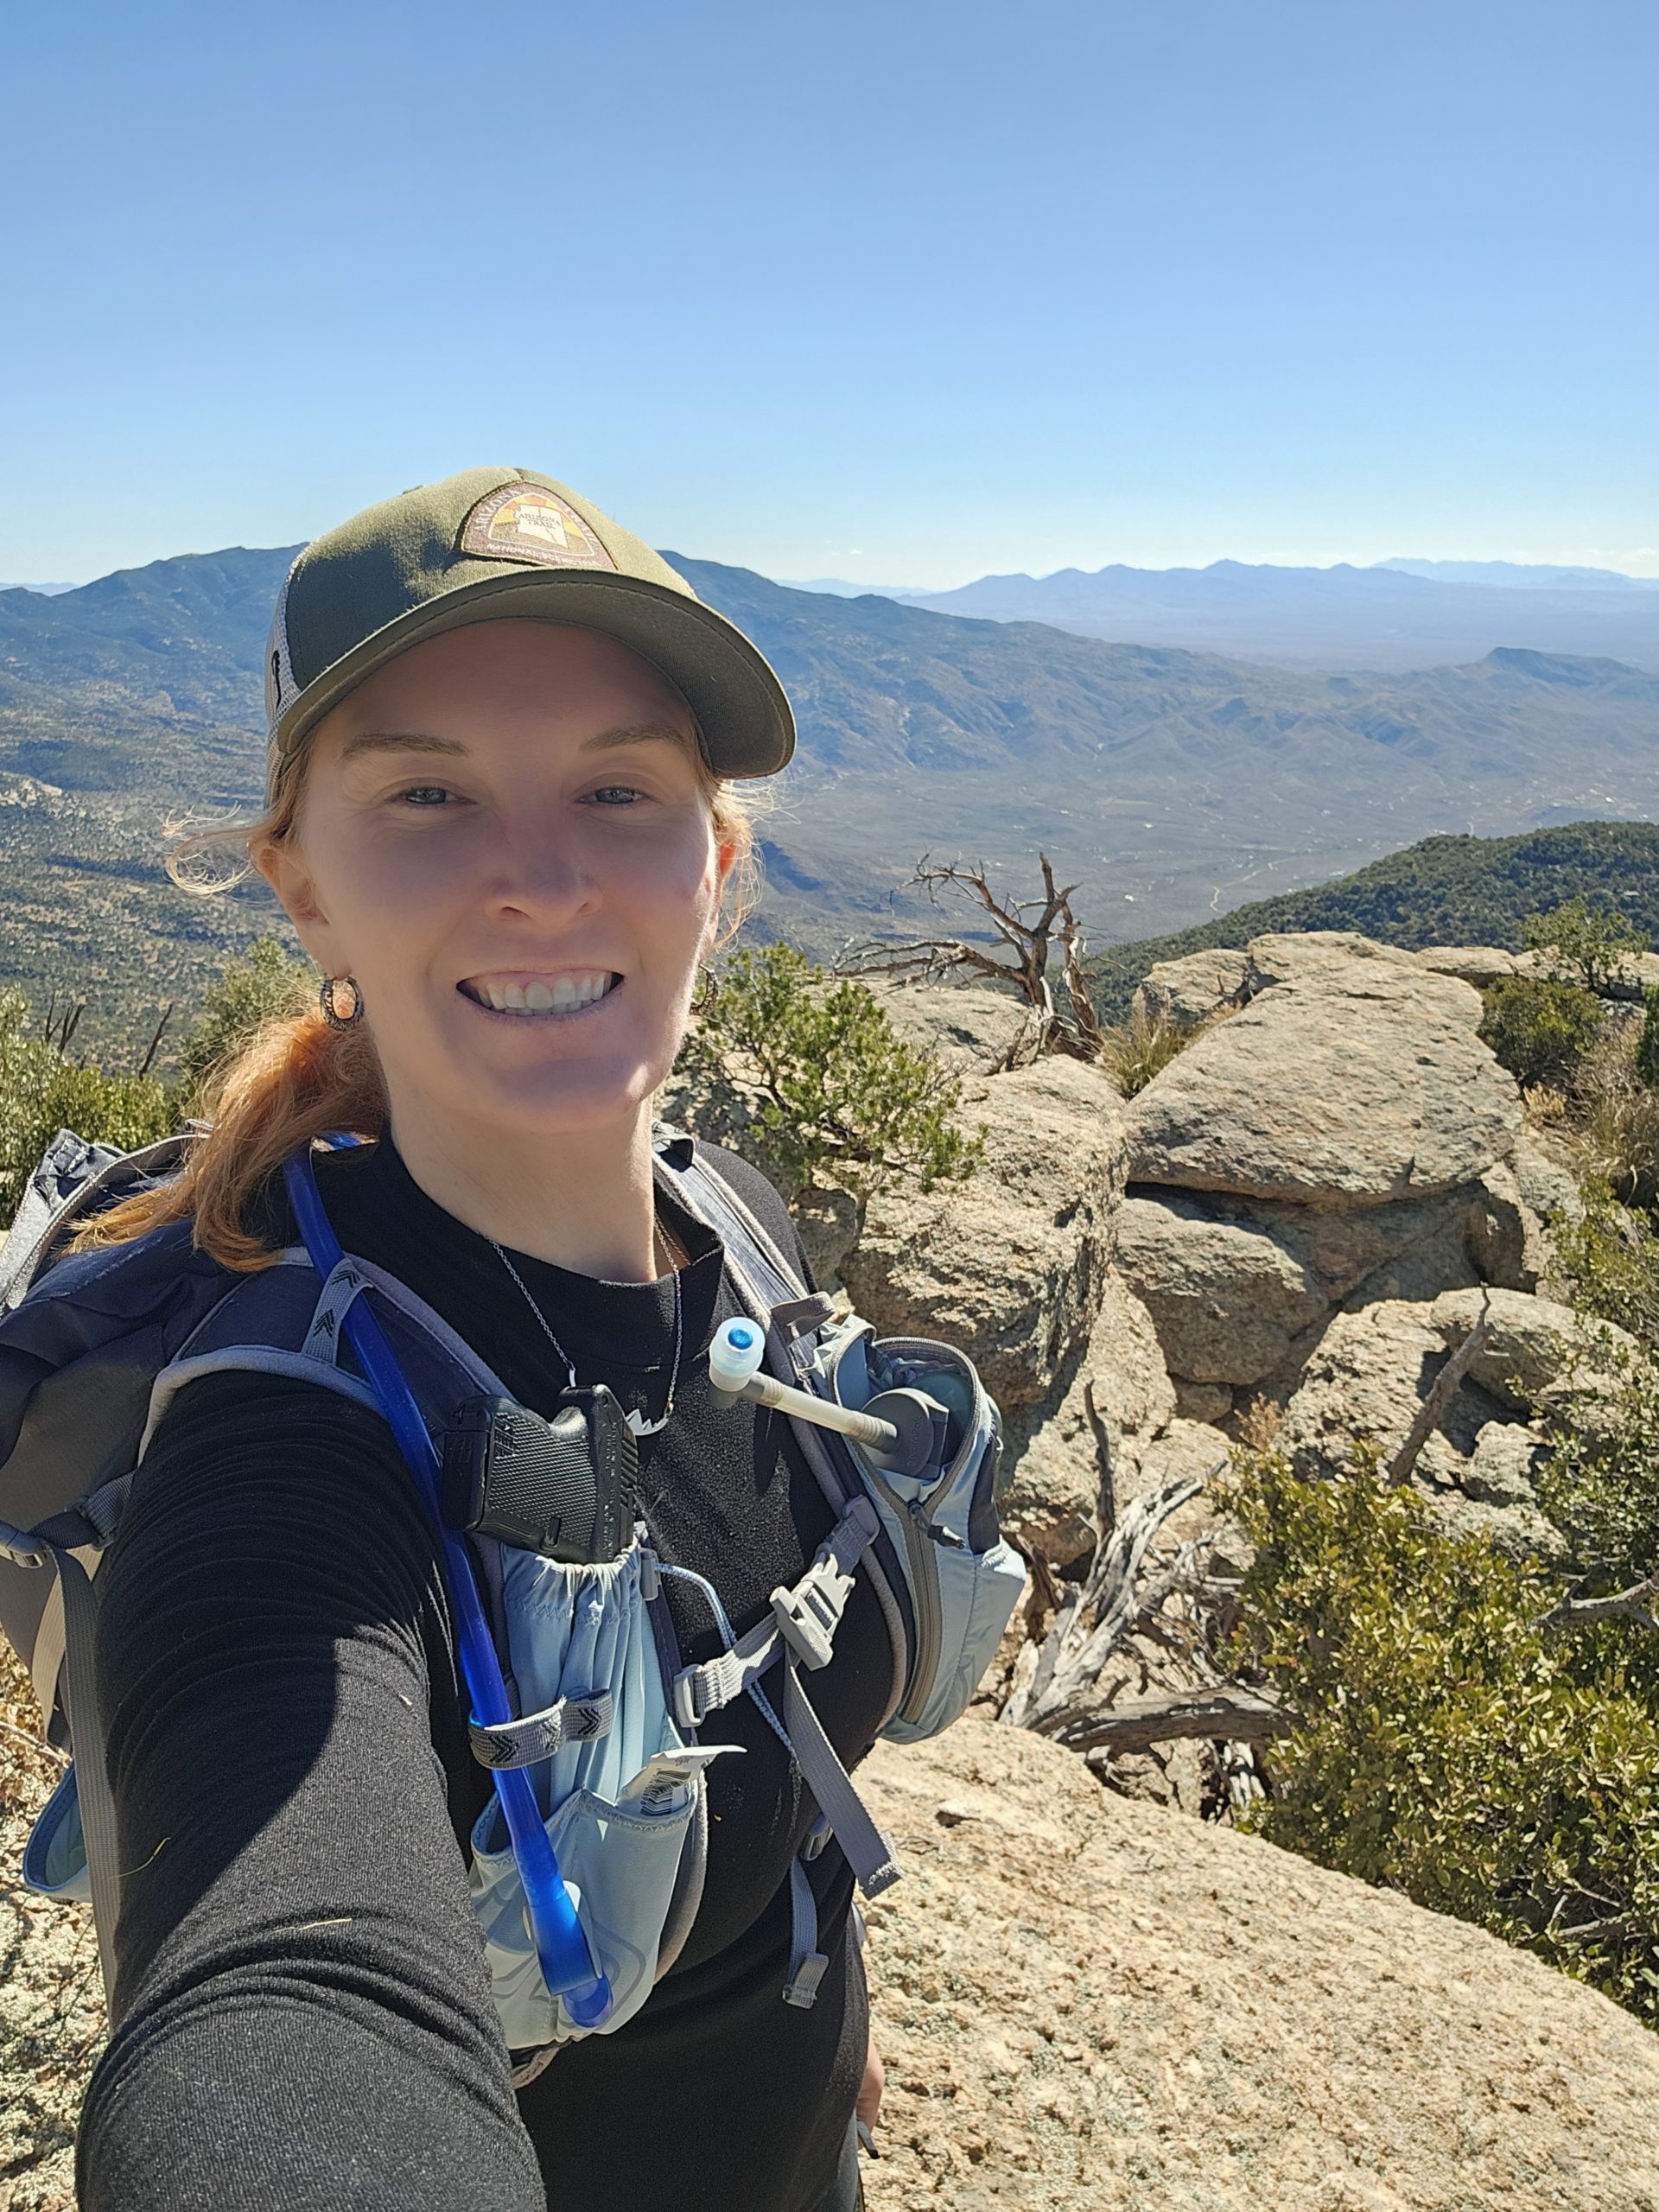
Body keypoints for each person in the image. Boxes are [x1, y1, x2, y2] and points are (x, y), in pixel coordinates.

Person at [70, 468, 897, 2211]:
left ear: (716, 857)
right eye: (429, 792)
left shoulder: (736, 1225)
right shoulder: (286, 1428)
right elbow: (288, 1995)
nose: (541, 879)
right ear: (303, 886)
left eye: (619, 786)